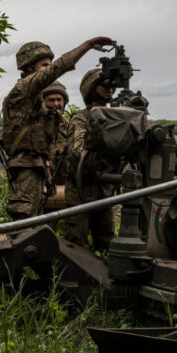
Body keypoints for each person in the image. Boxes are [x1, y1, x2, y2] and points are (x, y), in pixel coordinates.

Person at [2, 37, 115, 220]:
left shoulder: (34, 99)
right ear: (31, 67)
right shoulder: (24, 90)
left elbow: (36, 141)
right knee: (24, 220)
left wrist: (46, 171)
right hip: (25, 168)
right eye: (45, 65)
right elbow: (58, 68)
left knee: (34, 223)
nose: (50, 69)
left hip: (35, 167)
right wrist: (87, 45)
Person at [62, 68, 117, 250]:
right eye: (104, 85)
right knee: (76, 242)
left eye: (112, 85)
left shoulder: (117, 116)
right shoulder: (81, 118)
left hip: (104, 187)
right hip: (81, 188)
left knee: (106, 239)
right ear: (91, 88)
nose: (110, 88)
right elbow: (78, 150)